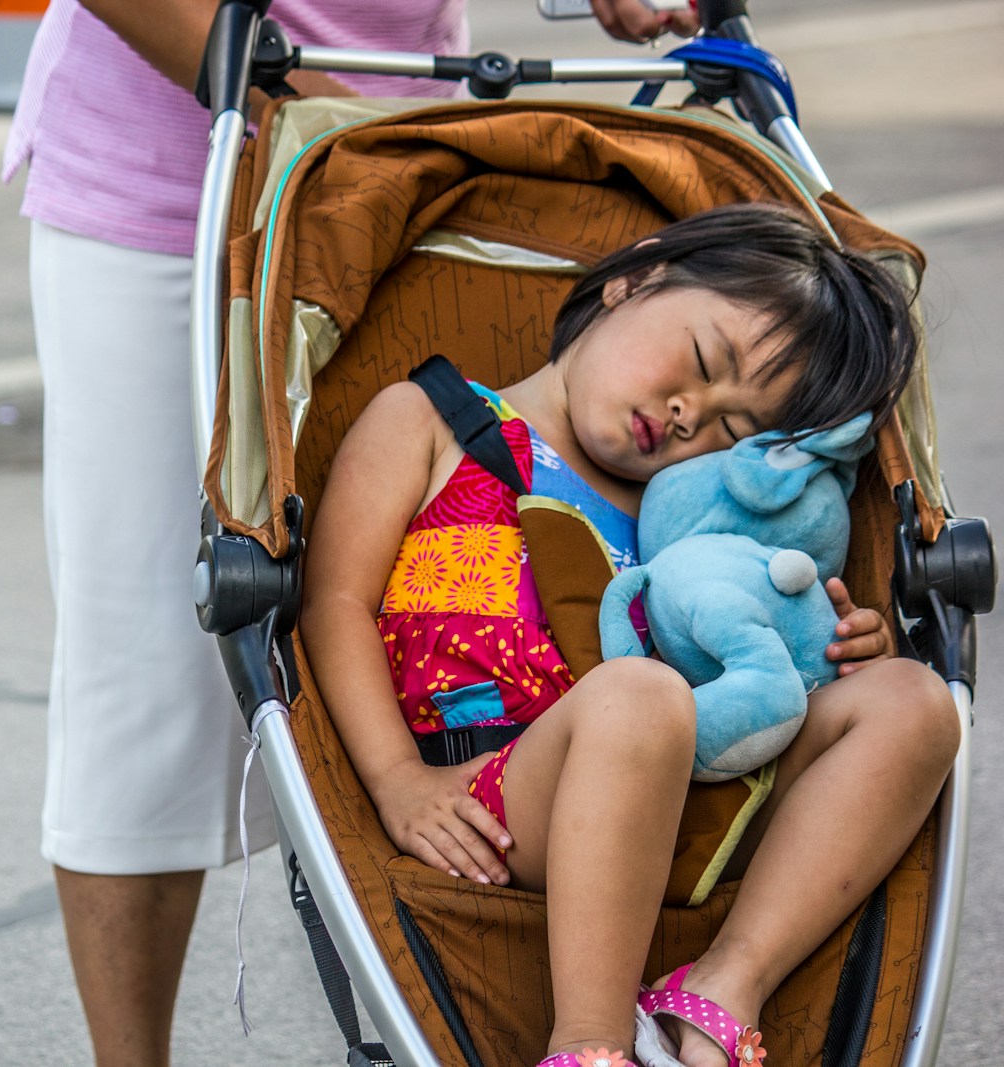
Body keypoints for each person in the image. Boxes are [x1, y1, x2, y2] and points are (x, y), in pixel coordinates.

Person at [3, 1, 699, 1063]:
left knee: (430, 590)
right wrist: (286, 99)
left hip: (392, 170)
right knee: (145, 681)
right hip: (176, 177)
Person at [299, 203, 959, 1067]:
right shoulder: (432, 422)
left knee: (915, 701)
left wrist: (826, 653)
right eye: (704, 364)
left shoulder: (690, 518)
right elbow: (333, 602)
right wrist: (396, 779)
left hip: (692, 785)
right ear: (633, 279)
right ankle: (590, 1044)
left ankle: (727, 980)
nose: (693, 416)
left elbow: (750, 651)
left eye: (736, 429)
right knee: (641, 695)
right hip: (508, 787)